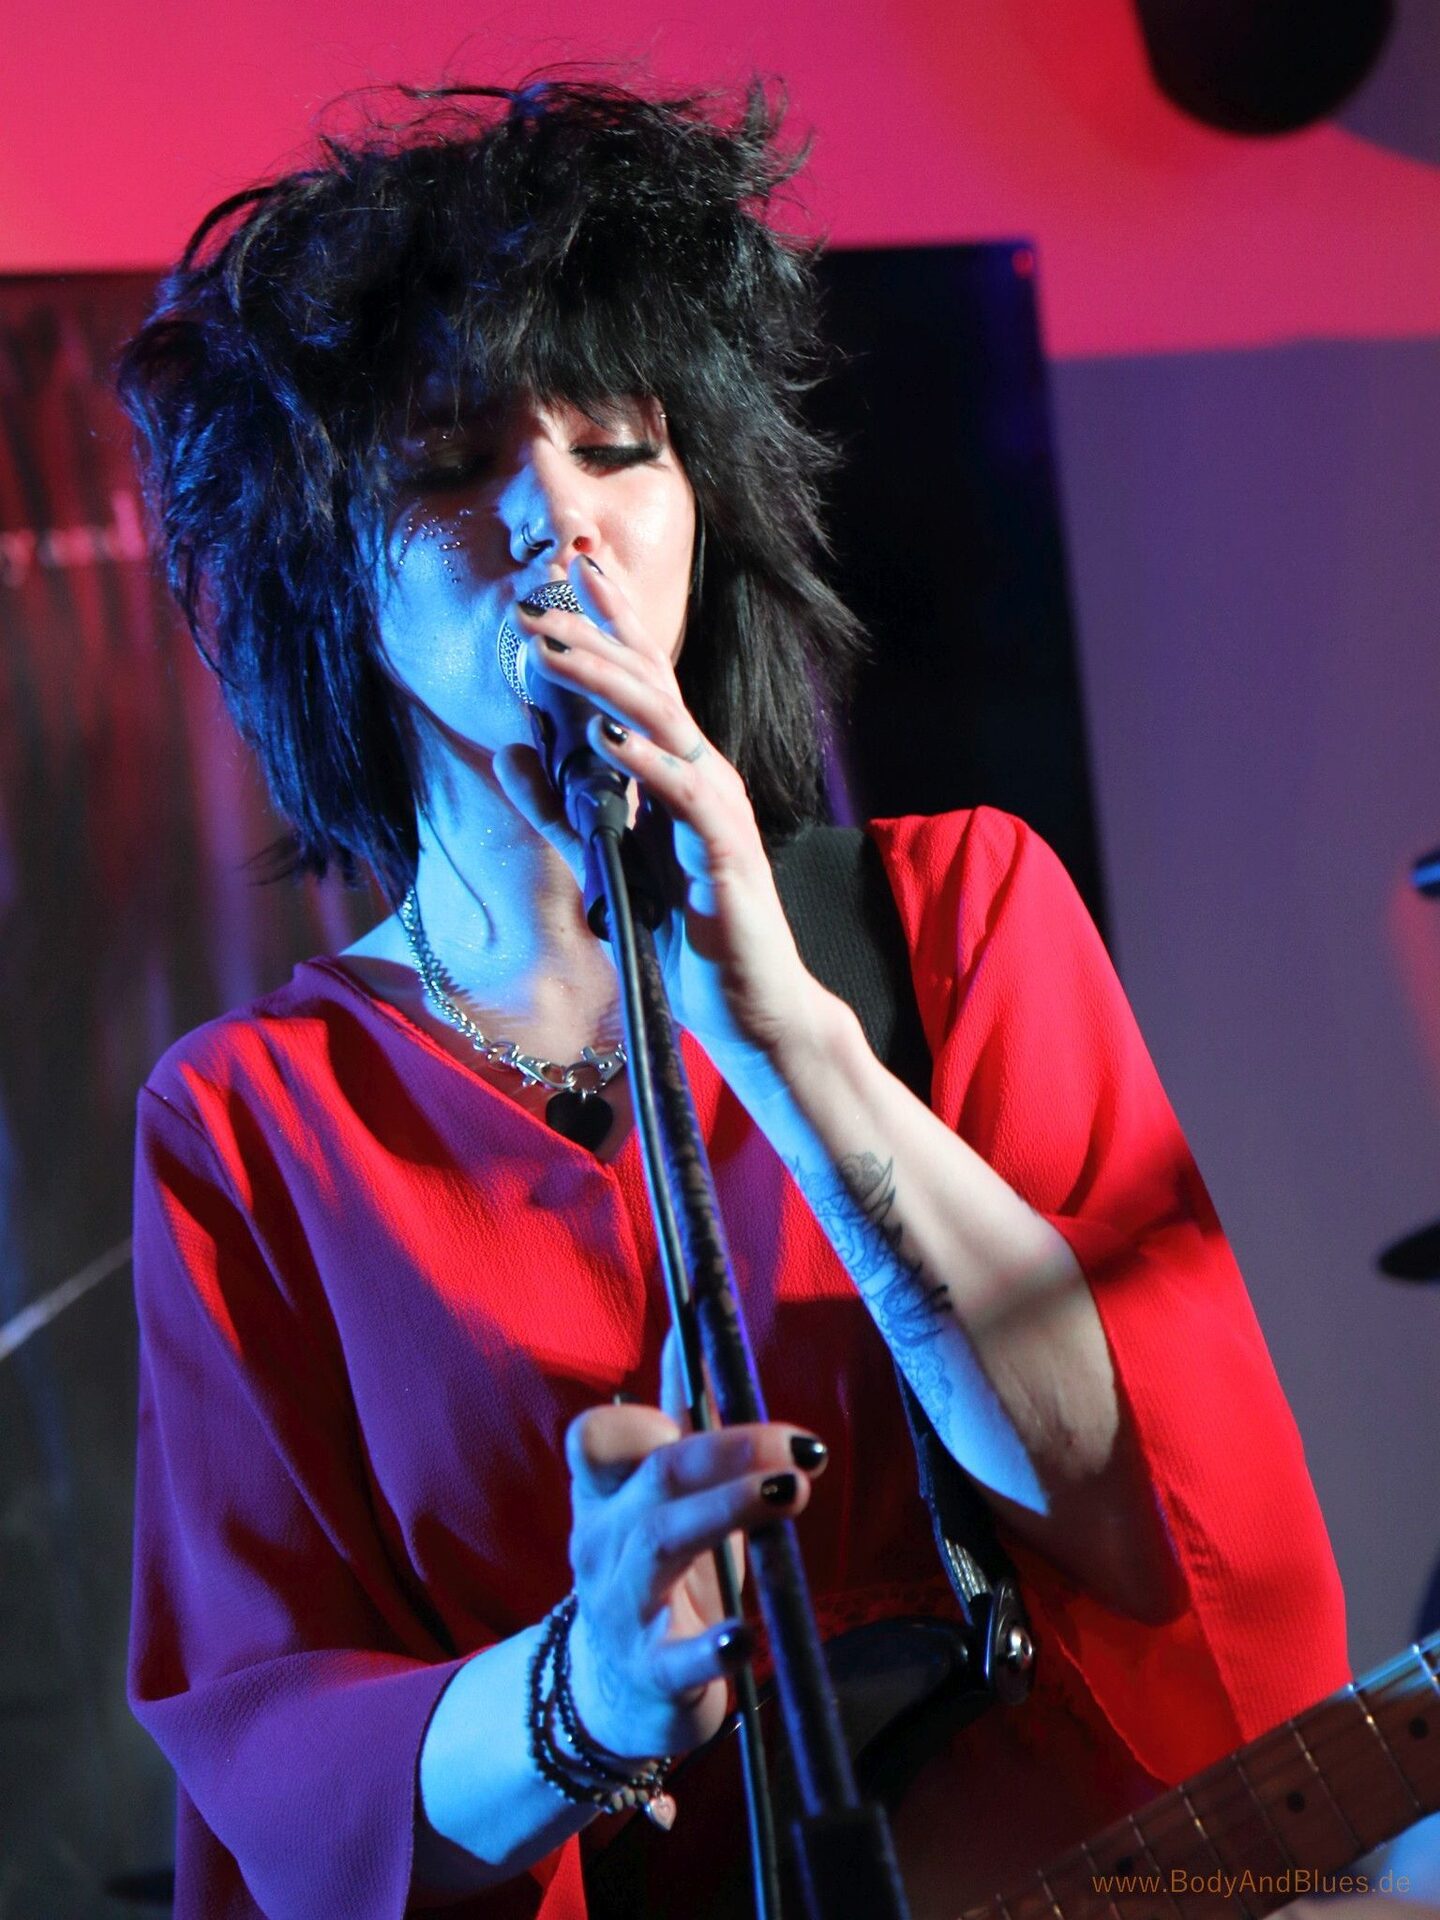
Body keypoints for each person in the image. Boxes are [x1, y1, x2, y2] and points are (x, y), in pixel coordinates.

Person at [119, 78, 1349, 1920]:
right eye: (452, 464)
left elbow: (1172, 1530)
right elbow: (290, 1774)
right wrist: (593, 1691)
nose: (561, 518)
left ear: (703, 509)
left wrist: (788, 1041)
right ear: (331, 579)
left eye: (620, 445)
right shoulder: (254, 1122)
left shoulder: (958, 912)